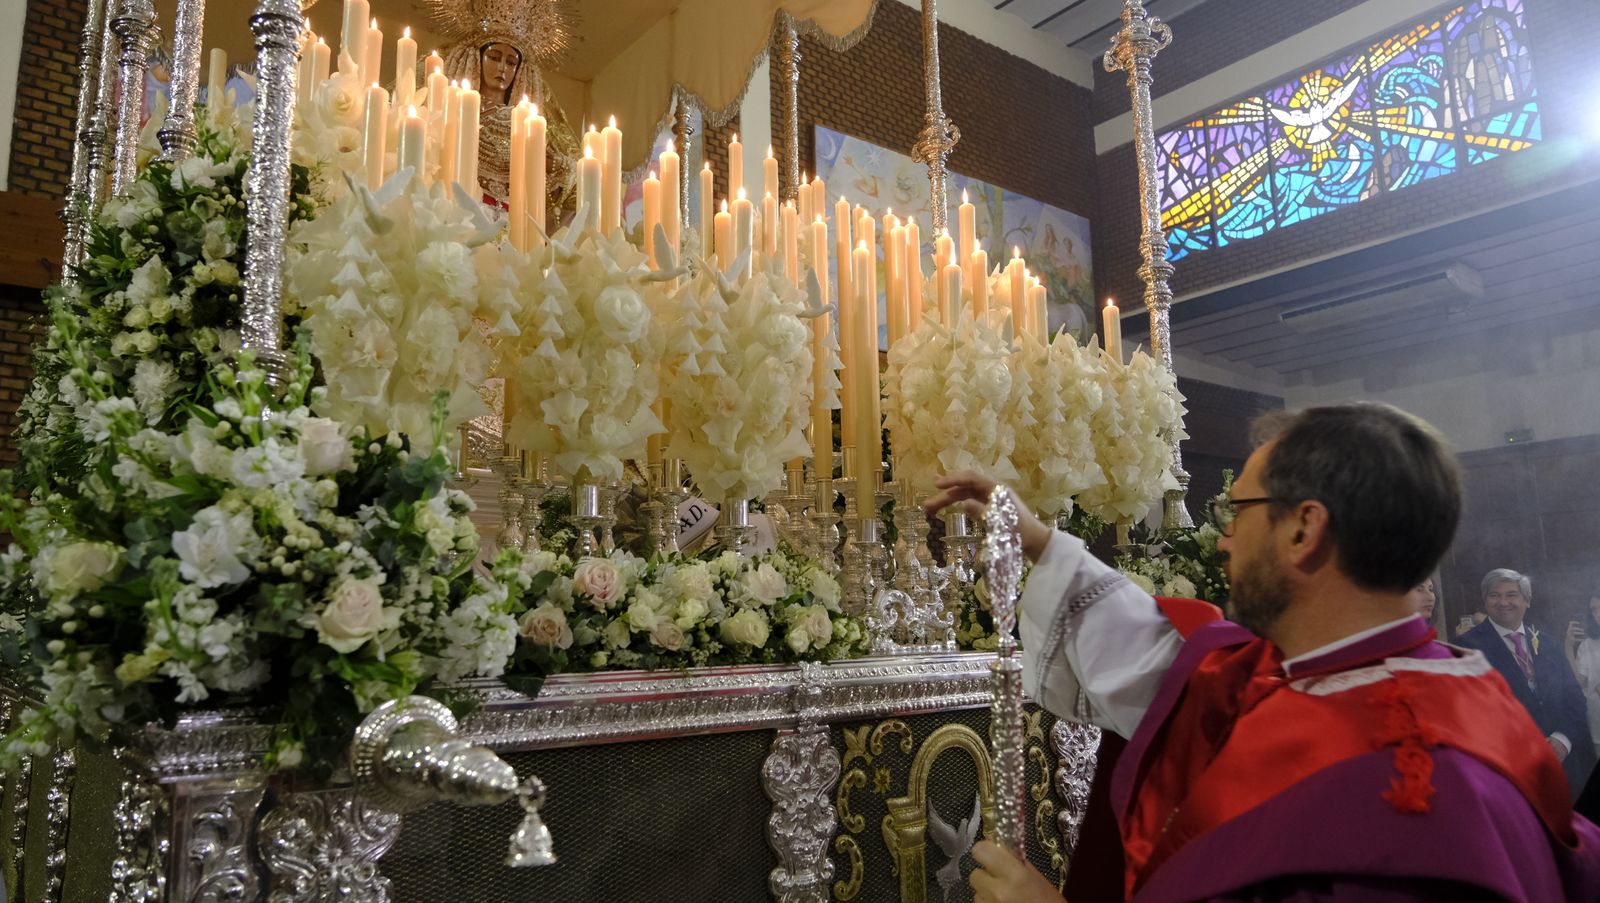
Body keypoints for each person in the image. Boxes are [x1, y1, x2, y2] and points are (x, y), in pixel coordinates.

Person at [925, 403, 1600, 902]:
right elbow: (1175, 666)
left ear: (1304, 528)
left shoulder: (1410, 797)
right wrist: (1042, 540)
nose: (1223, 540)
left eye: (1236, 511)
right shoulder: (1422, 684)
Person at [423, 0, 579, 206]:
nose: (503, 68)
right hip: (455, 206)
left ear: (519, 70)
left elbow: (573, 169)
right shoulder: (455, 109)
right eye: (494, 58)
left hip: (508, 219)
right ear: (478, 58)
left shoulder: (525, 123)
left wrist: (553, 165)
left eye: (511, 62)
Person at [1458, 569, 1596, 795]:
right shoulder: (1467, 646)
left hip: (1564, 767)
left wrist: (1561, 742)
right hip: (1510, 773)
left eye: (1511, 594)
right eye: (1494, 595)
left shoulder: (1548, 643)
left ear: (1527, 600)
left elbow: (1575, 700)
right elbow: (1470, 714)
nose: (1503, 602)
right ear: (1485, 601)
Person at [1567, 593, 1600, 754]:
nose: (1598, 614)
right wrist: (1568, 647)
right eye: (1594, 610)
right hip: (1597, 724)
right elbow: (1580, 682)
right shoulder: (1588, 645)